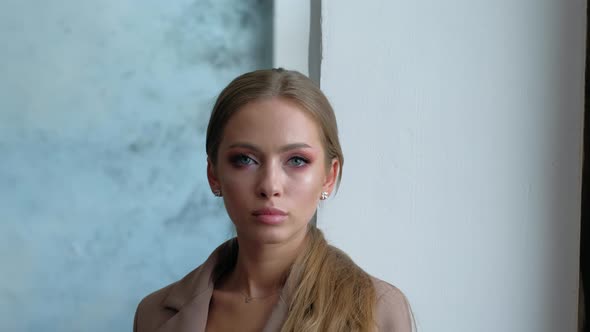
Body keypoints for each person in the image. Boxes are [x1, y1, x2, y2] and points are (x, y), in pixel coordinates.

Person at [133, 68, 414, 332]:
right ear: (213, 174)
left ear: (329, 176)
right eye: (245, 159)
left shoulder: (378, 310)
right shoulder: (154, 315)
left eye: (296, 160)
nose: (270, 186)